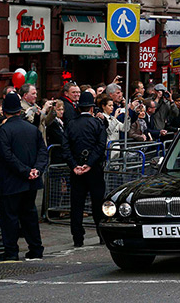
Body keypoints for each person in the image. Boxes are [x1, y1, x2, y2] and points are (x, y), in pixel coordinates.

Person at [0, 92, 48, 261]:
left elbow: (6, 156)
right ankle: (36, 249)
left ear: (5, 111)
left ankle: (11, 251)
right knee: (29, 215)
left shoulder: (3, 131)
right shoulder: (32, 129)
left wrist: (25, 171)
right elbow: (43, 152)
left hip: (11, 182)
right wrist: (36, 170)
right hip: (31, 182)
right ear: (19, 110)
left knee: (10, 217)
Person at [62, 91, 107, 247]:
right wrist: (90, 163)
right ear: (92, 109)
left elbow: (65, 148)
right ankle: (101, 235)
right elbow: (101, 146)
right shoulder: (97, 124)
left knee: (76, 205)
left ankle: (78, 238)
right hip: (94, 169)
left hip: (77, 171)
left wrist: (74, 165)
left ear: (79, 108)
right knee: (98, 204)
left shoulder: (70, 125)